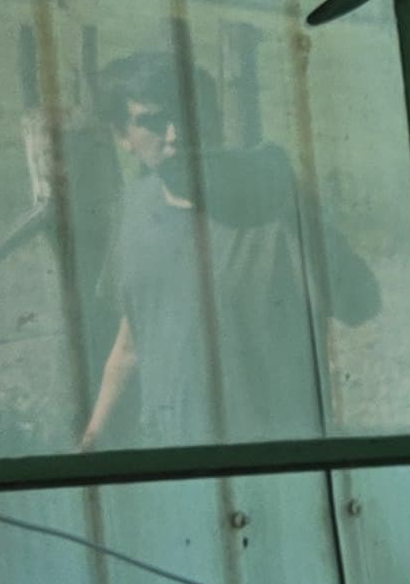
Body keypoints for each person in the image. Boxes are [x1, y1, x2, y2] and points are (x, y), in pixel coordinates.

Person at [77, 59, 380, 451]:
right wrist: (90, 441)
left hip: (271, 460)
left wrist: (297, 209)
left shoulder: (271, 207)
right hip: (171, 457)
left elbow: (361, 304)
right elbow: (132, 345)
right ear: (123, 134)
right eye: (153, 121)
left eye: (188, 116)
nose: (176, 134)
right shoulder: (134, 209)